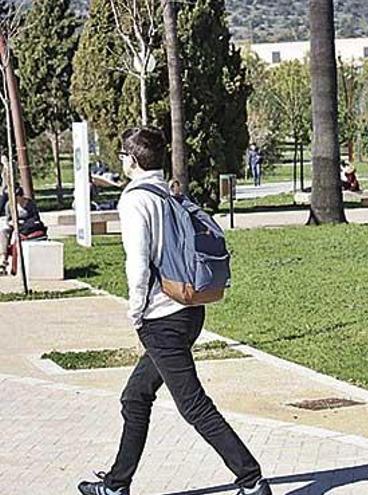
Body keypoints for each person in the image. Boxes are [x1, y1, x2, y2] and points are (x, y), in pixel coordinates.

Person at [78, 127, 271, 495]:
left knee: (193, 405)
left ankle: (251, 480)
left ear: (132, 161)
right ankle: (117, 485)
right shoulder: (170, 192)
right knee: (135, 396)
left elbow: (138, 263)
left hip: (161, 316)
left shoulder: (135, 199)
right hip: (189, 308)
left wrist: (135, 312)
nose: (121, 160)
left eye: (123, 155)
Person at [0, 186, 46, 276]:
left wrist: (24, 223)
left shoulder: (30, 204)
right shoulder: (9, 205)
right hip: (15, 224)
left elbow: (36, 218)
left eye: (18, 198)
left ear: (21, 196)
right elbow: (8, 219)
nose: (17, 200)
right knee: (3, 232)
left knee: (19, 234)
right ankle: (3, 258)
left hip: (27, 226)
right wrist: (12, 223)